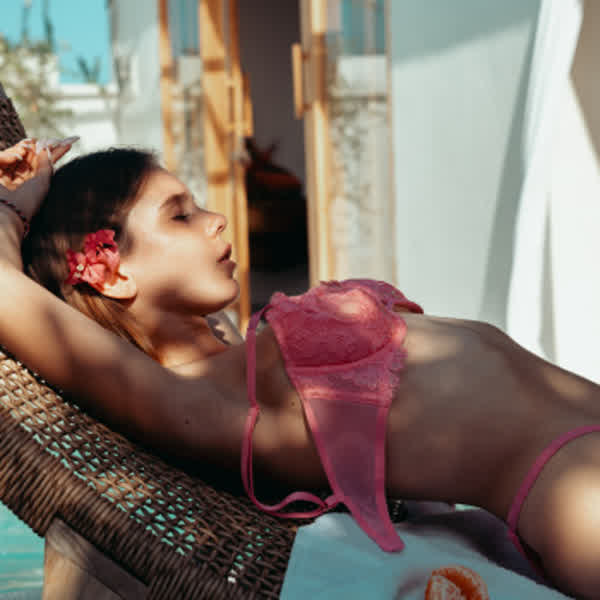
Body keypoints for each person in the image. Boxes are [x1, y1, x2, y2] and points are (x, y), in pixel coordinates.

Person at [1, 139, 599, 599]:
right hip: (569, 493)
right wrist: (16, 203)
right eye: (180, 216)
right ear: (110, 273)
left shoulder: (233, 350)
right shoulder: (192, 404)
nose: (217, 219)